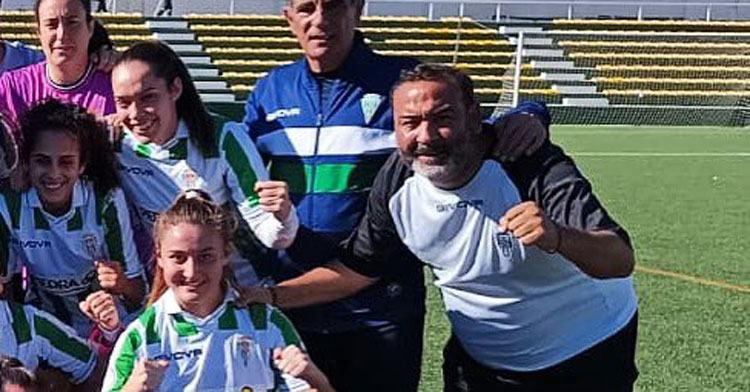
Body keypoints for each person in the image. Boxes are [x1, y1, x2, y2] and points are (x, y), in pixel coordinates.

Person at [244, 64, 639, 391]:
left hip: (585, 351)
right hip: (484, 361)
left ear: (473, 115)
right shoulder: (398, 180)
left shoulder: (527, 162)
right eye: (410, 123)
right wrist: (267, 297)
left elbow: (619, 258)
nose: (425, 136)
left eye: (442, 119)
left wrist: (557, 235)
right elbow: (358, 269)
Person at [240, 0, 549, 390]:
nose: (320, 20)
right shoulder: (271, 90)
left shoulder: (399, 81)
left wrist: (530, 113)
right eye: (306, 8)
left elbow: (467, 127)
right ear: (289, 19)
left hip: (381, 308)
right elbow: (228, 162)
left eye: (333, 5)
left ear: (358, 9)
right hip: (293, 305)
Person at [102, 191, 333, 392]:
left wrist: (314, 377)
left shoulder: (265, 322)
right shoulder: (142, 334)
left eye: (206, 257)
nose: (191, 272)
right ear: (160, 256)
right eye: (178, 258)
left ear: (226, 254)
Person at [109, 40, 298, 285]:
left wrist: (284, 217)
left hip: (241, 289)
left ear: (175, 89)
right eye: (123, 103)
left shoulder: (223, 137)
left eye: (148, 97)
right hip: (171, 286)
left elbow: (273, 235)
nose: (135, 114)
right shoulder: (115, 144)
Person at [0, 100, 146, 339]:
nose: (54, 173)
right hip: (45, 328)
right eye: (42, 161)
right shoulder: (10, 205)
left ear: (82, 165)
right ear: (27, 162)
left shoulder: (105, 201)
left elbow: (137, 293)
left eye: (66, 161)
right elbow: (4, 288)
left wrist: (120, 283)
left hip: (107, 327)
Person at [0, 0, 115, 128]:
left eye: (72, 23)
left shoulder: (116, 86)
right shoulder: (12, 88)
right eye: (51, 25)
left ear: (90, 28)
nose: (62, 35)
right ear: (39, 33)